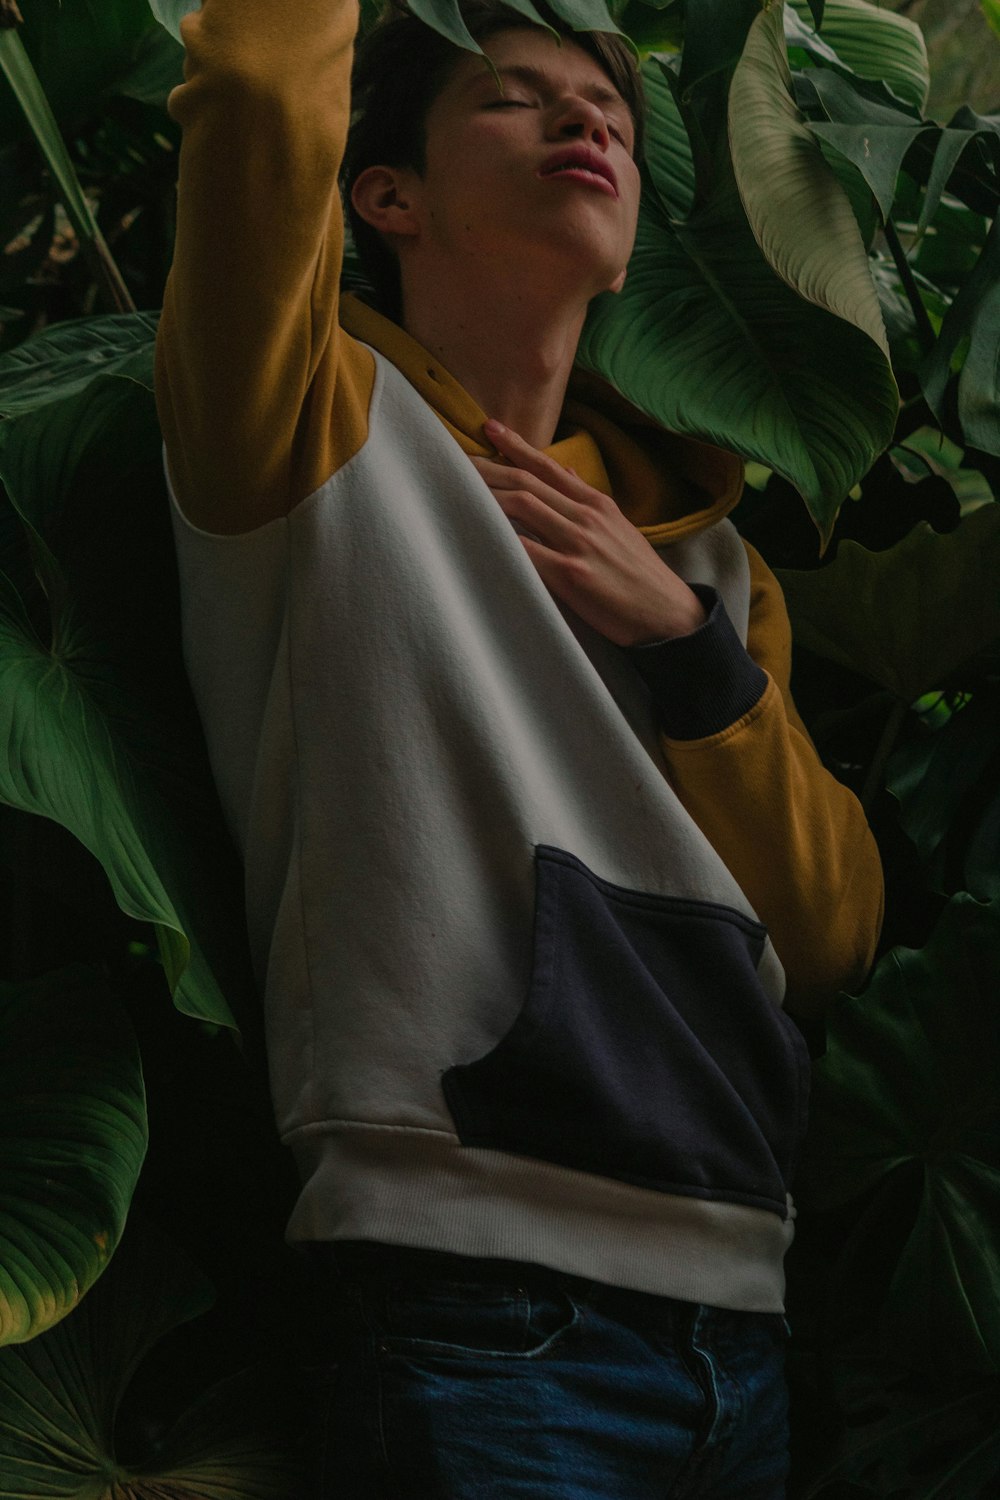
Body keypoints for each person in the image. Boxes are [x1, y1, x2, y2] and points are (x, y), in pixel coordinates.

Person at [155, 0, 884, 1494]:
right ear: (387, 196)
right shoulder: (306, 430)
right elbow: (253, 89)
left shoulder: (717, 569)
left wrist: (684, 647)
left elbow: (829, 934)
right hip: (472, 1302)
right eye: (518, 99)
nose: (589, 120)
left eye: (607, 104)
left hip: (739, 1317)